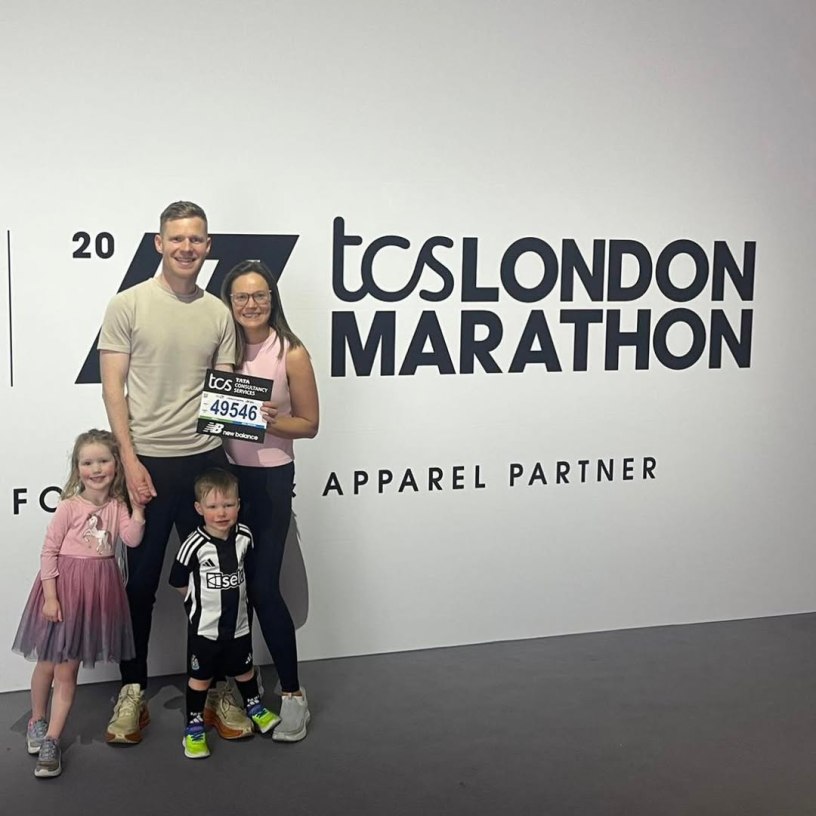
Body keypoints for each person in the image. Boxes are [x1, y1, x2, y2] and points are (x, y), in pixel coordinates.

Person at [99, 201, 253, 744]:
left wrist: (258, 421)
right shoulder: (128, 304)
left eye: (196, 239)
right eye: (177, 238)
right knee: (139, 586)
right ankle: (132, 692)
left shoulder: (218, 313)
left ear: (208, 246)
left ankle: (217, 689)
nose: (187, 247)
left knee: (216, 587)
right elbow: (112, 389)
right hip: (146, 466)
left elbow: (225, 393)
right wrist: (130, 460)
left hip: (206, 464)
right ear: (159, 243)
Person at [220, 259, 319, 742]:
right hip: (224, 480)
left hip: (272, 480)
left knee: (262, 587)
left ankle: (294, 695)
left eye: (260, 295)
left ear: (272, 299)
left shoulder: (291, 352)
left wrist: (270, 420)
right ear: (229, 302)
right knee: (231, 589)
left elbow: (310, 424)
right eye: (241, 296)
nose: (251, 304)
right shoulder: (220, 348)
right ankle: (244, 685)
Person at [12, 430, 145, 777]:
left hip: (97, 592)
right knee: (47, 663)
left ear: (116, 465)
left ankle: (52, 740)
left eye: (103, 461)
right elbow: (49, 552)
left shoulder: (117, 507)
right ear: (77, 468)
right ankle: (37, 721)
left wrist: (139, 509)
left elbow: (131, 539)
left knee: (66, 670)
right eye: (87, 462)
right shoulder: (69, 506)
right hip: (63, 591)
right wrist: (51, 597)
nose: (96, 469)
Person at [169, 468, 279, 758]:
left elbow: (249, 571)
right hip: (205, 627)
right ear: (199, 509)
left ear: (238, 505)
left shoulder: (244, 536)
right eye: (213, 506)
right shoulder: (193, 544)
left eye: (228, 505)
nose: (221, 513)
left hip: (239, 624)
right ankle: (193, 729)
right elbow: (177, 580)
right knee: (200, 679)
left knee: (244, 670)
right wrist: (196, 602)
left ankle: (254, 707)